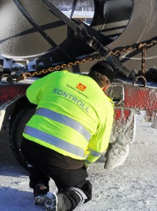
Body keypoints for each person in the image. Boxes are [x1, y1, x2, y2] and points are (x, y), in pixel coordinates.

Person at [21, 61, 116, 211]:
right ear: (107, 86)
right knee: (83, 189)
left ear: (89, 72)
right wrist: (84, 164)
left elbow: (31, 94)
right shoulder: (105, 105)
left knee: (39, 159)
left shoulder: (60, 77)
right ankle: (61, 202)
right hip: (64, 160)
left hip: (29, 146)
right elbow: (99, 148)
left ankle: (40, 188)